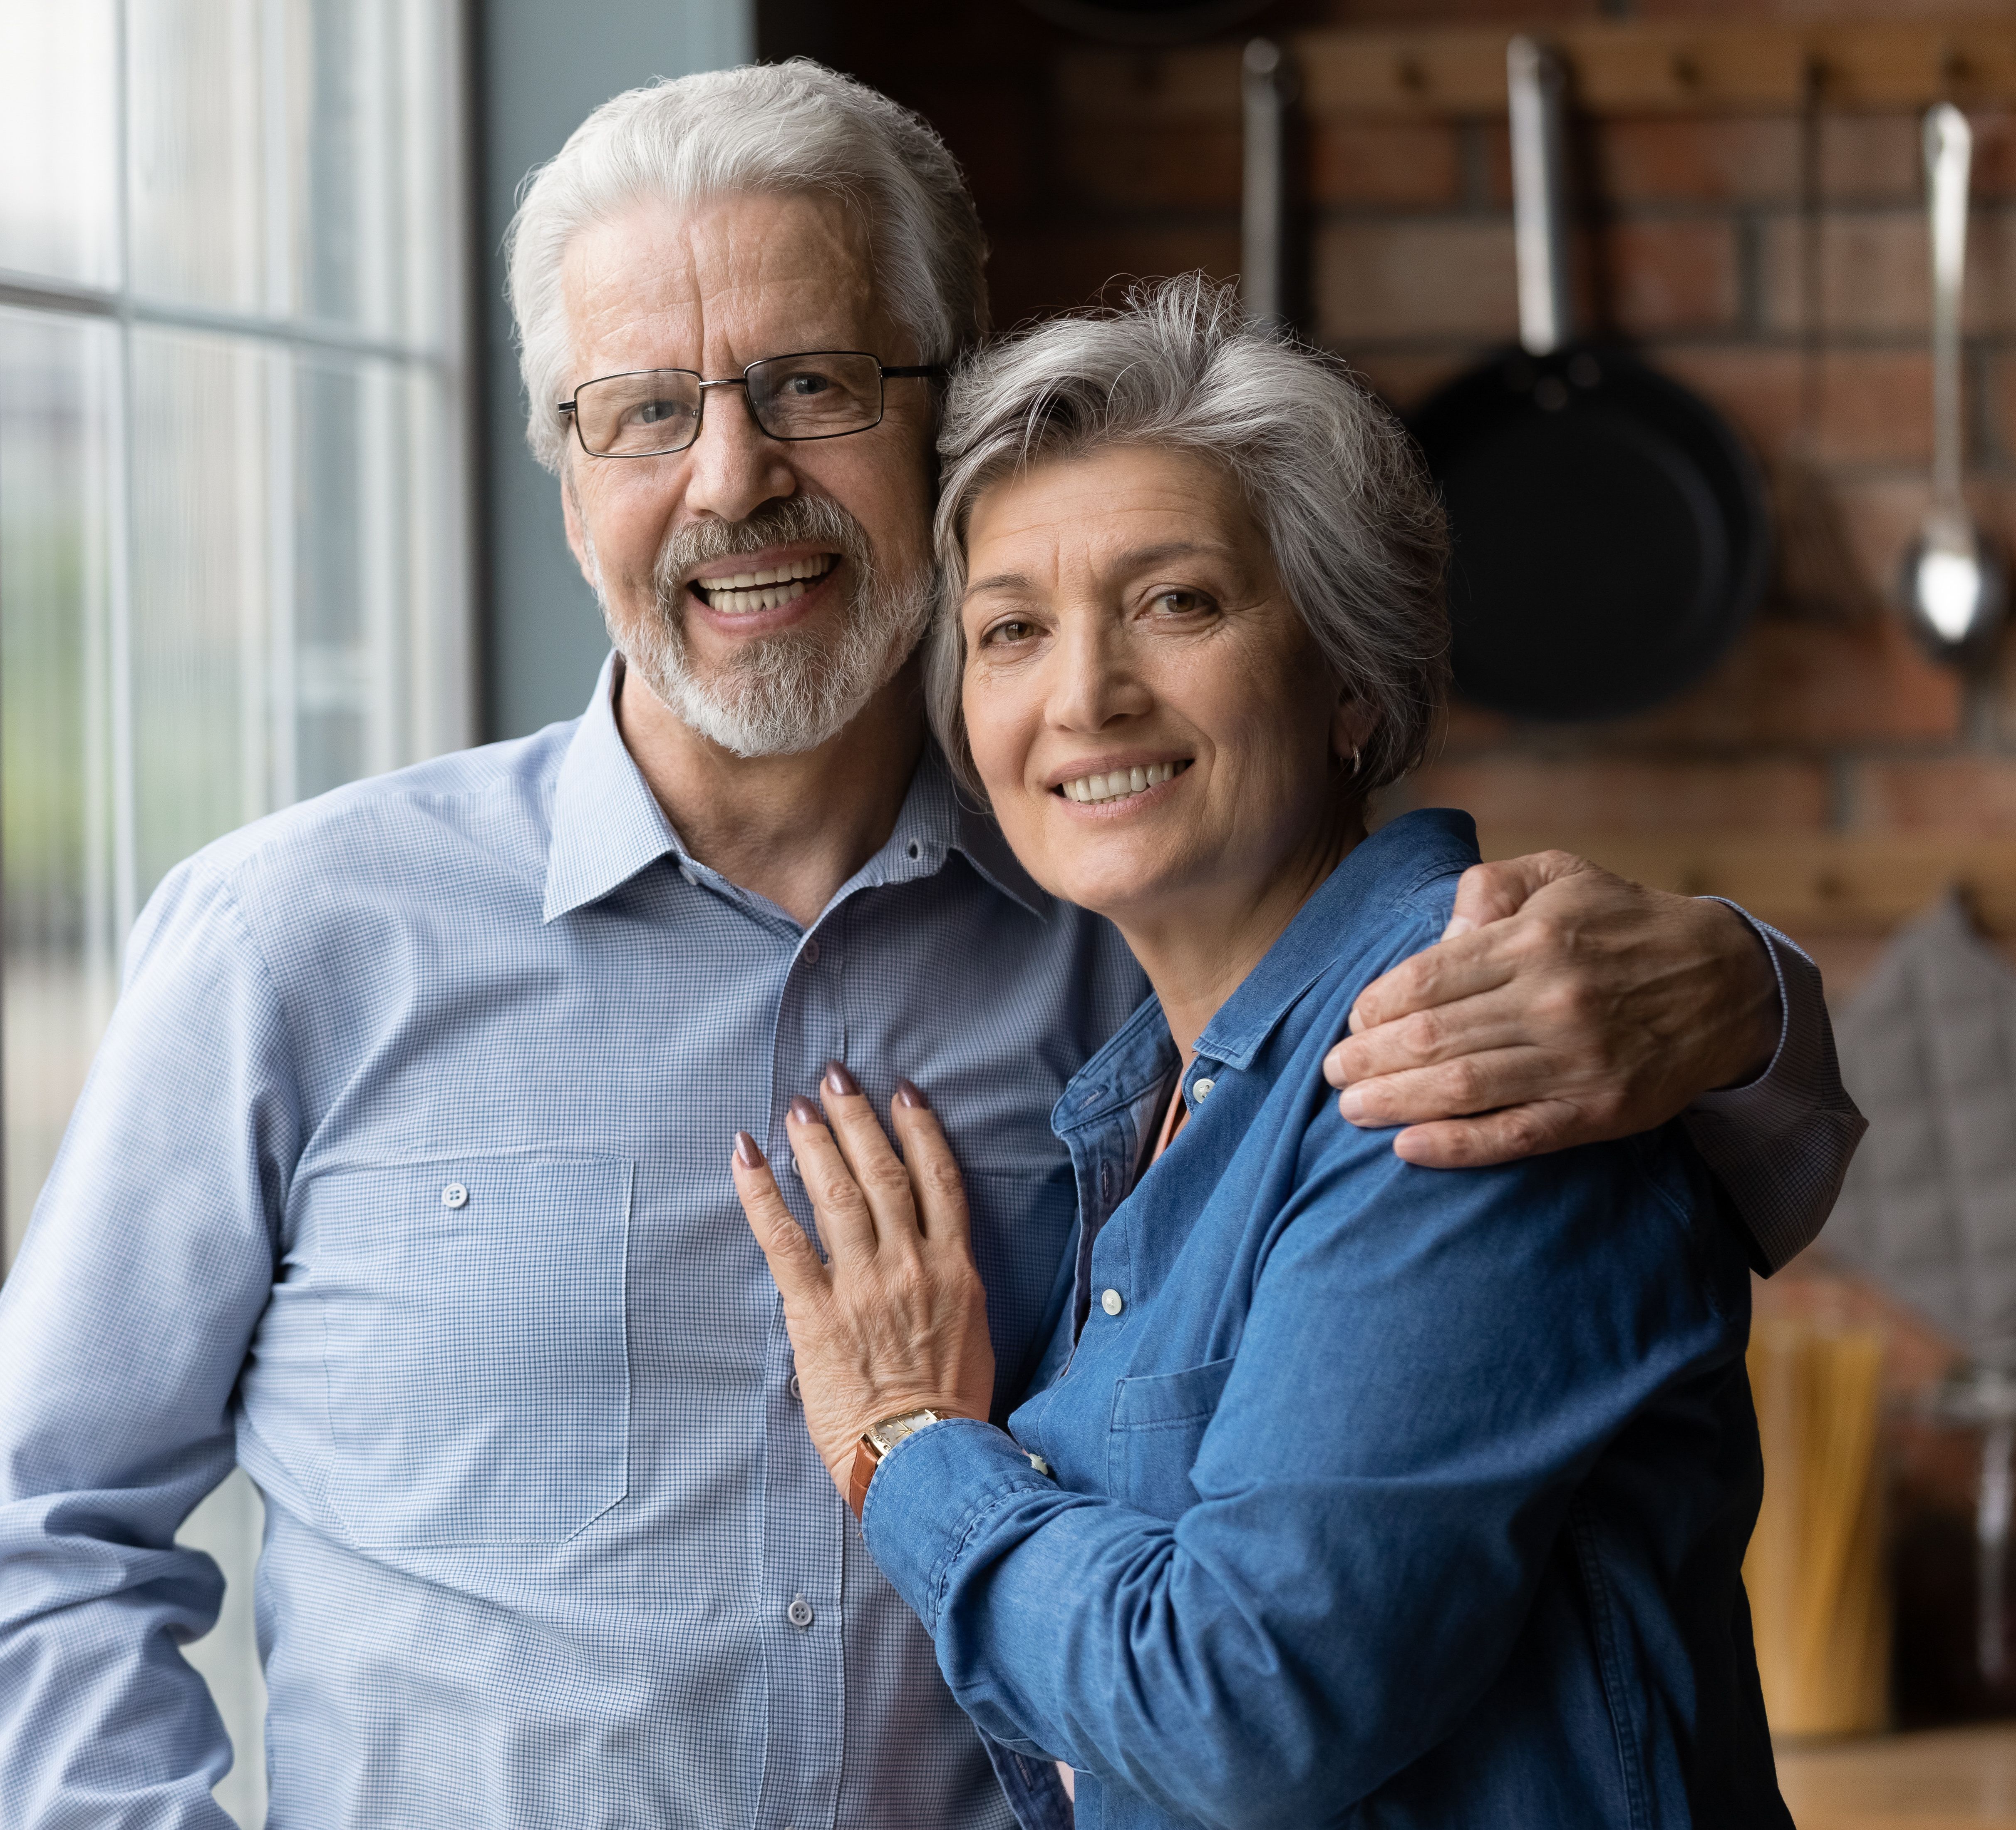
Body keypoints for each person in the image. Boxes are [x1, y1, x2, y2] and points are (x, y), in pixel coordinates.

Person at [0, 63, 1854, 1828]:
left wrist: (1743, 998)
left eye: (811, 383)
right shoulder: (295, 941)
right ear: (562, 469)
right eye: (643, 409)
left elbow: (1579, 1213)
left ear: (940, 407)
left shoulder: (1135, 925)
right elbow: (31, 1529)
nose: (730, 474)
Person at [742, 276, 1788, 1830]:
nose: (1083, 694)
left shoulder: (1451, 1057)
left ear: (1353, 681)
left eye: (1177, 603)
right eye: (1012, 630)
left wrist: (909, 1451)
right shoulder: (1146, 1094)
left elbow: (1239, 1706)